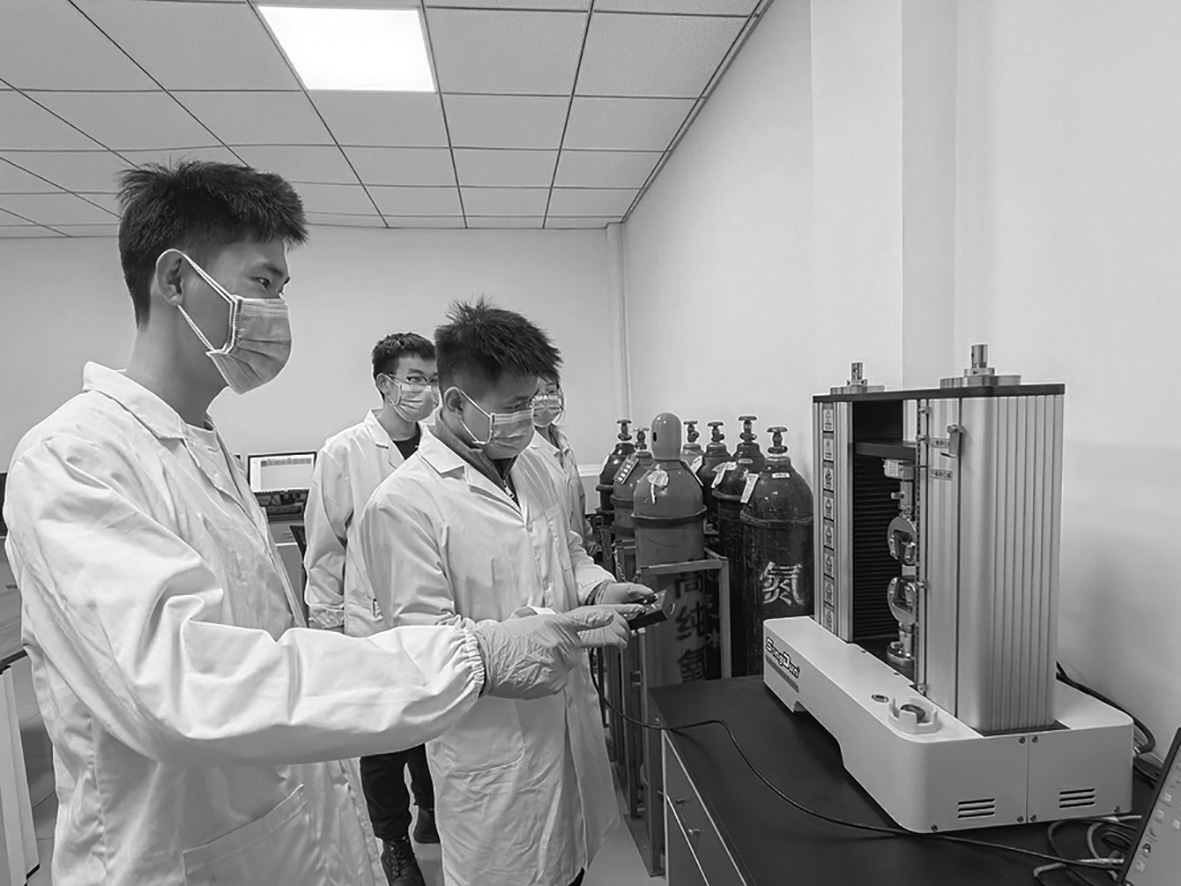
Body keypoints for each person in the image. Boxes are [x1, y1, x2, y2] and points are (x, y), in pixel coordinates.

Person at [1, 161, 635, 886]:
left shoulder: (199, 449)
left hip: (280, 831)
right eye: (263, 283)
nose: (277, 313)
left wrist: (582, 596)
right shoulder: (74, 457)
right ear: (175, 279)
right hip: (178, 857)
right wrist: (478, 655)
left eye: (281, 289)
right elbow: (181, 685)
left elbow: (272, 655)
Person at [355, 299, 654, 886]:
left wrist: (600, 589)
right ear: (455, 404)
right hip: (492, 750)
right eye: (514, 407)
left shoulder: (530, 464)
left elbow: (566, 550)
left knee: (571, 867)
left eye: (531, 403)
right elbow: (429, 647)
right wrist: (544, 631)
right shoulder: (403, 505)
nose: (527, 420)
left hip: (565, 725)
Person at [303, 332, 441, 886]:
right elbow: (324, 548)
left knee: (435, 725)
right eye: (414, 379)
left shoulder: (439, 447)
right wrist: (331, 629)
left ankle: (431, 813)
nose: (426, 390)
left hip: (430, 613)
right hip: (372, 618)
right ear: (385, 383)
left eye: (433, 379)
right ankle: (394, 844)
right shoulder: (344, 452)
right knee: (384, 741)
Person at [528, 370, 598, 556]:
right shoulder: (523, 452)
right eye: (535, 393)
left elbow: (578, 501)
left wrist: (589, 541)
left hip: (578, 553)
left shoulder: (562, 444)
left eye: (550, 391)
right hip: (550, 556)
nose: (544, 399)